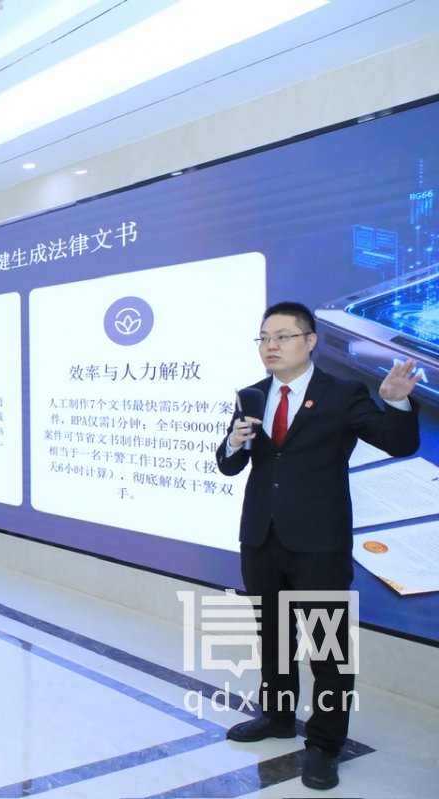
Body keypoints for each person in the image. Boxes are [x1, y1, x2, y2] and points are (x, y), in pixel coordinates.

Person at [217, 301, 420, 792]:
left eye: (283, 336)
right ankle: (278, 717)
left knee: (327, 648)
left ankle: (326, 745)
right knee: (273, 637)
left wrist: (395, 403)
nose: (271, 346)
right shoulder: (252, 395)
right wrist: (235, 442)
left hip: (319, 543)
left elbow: (398, 444)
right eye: (264, 338)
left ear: (310, 341)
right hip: (260, 537)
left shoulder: (342, 392)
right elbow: (229, 465)